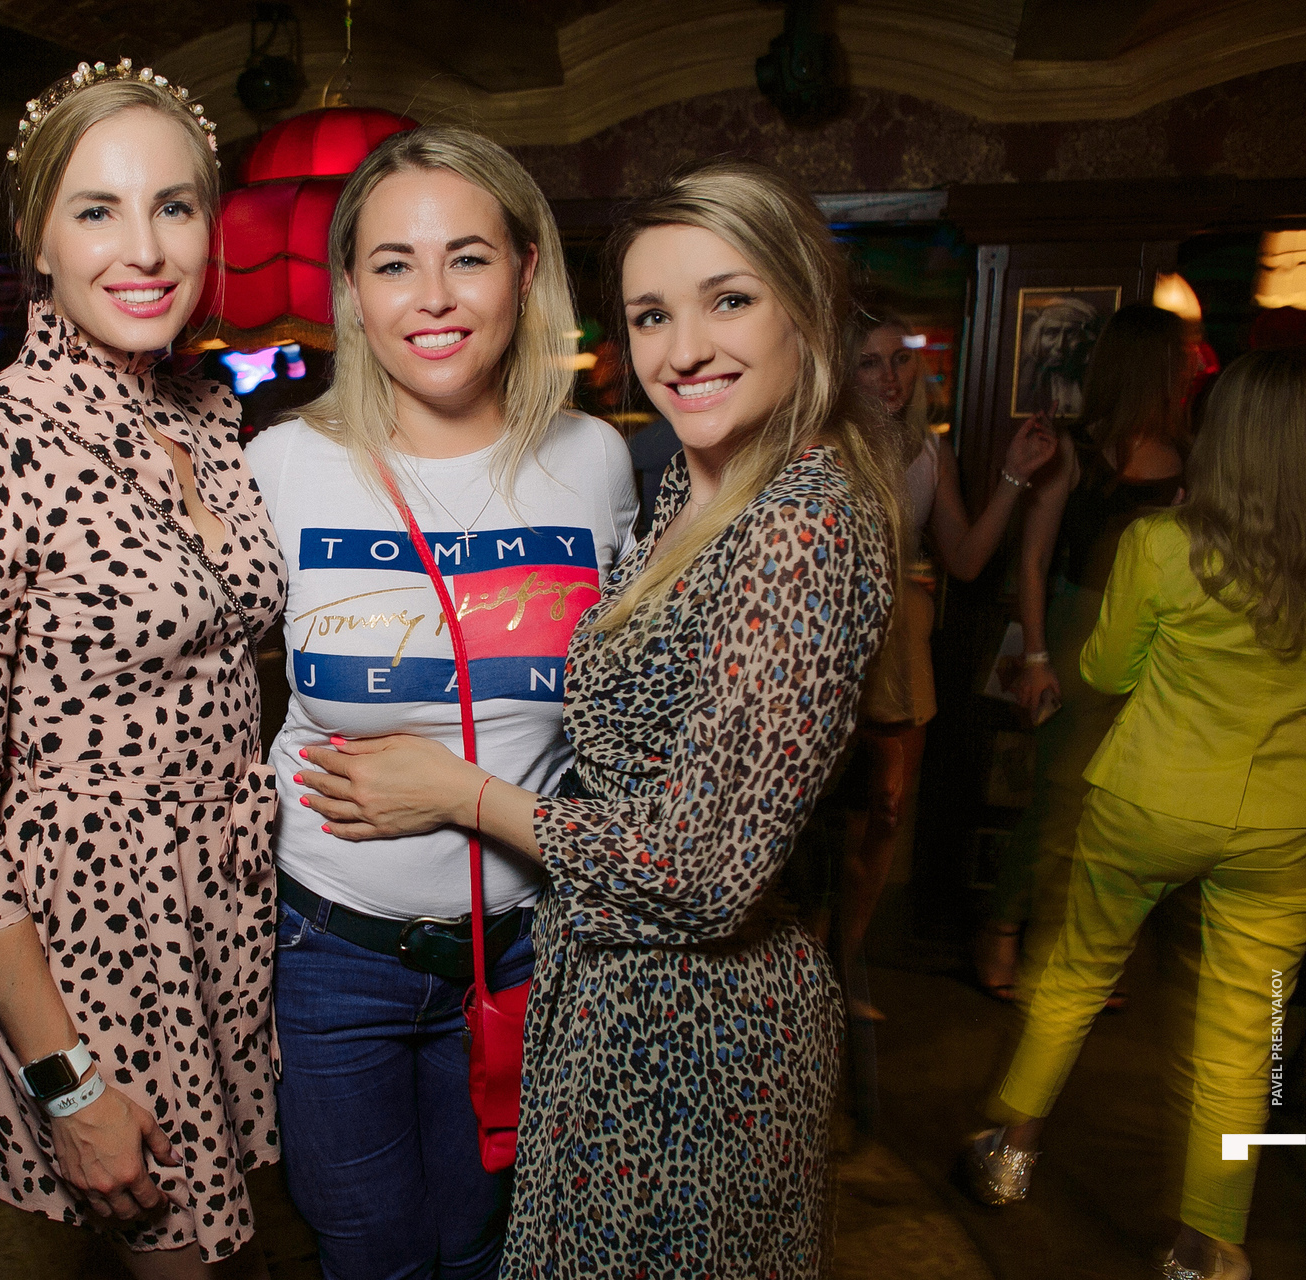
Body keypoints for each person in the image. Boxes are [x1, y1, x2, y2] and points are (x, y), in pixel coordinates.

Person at [296, 159, 900, 1278]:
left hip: (697, 1029)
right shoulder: (692, 485)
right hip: (587, 994)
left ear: (806, 308)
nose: (687, 349)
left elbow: (703, 870)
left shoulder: (798, 523)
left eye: (729, 299)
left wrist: (462, 794)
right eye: (653, 315)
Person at [0, 60, 285, 1277]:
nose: (145, 248)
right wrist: (65, 1077)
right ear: (38, 241)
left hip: (229, 912)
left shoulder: (208, 420)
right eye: (98, 209)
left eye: (175, 205)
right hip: (102, 952)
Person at [245, 126, 637, 1279]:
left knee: (479, 1247)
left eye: (467, 256)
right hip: (330, 947)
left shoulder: (595, 460)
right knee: (370, 1251)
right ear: (351, 291)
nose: (433, 296)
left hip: (525, 949)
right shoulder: (281, 464)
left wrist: (459, 793)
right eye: (393, 263)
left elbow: (627, 723)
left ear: (525, 268)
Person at [963, 349, 1306, 1280]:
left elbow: (1107, 671)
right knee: (1247, 1037)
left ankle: (1009, 1157)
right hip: (1279, 829)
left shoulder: (1162, 543)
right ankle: (1207, 1245)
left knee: (1075, 973)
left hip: (1149, 800)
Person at [834, 311, 1057, 1019]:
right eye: (870, 362)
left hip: (899, 646)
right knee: (819, 817)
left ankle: (845, 962)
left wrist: (1013, 478)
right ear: (843, 372)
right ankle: (802, 965)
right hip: (833, 639)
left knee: (887, 813)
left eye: (901, 360)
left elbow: (964, 558)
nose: (890, 377)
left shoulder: (931, 453)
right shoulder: (820, 445)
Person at [979, 303, 1196, 1002]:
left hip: (1159, 641)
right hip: (1079, 631)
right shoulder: (1074, 450)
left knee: (1123, 809)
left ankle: (1081, 955)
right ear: (1152, 367)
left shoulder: (1190, 458)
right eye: (1182, 358)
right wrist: (1036, 658)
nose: (1193, 368)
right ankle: (1007, 933)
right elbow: (1034, 561)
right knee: (1059, 802)